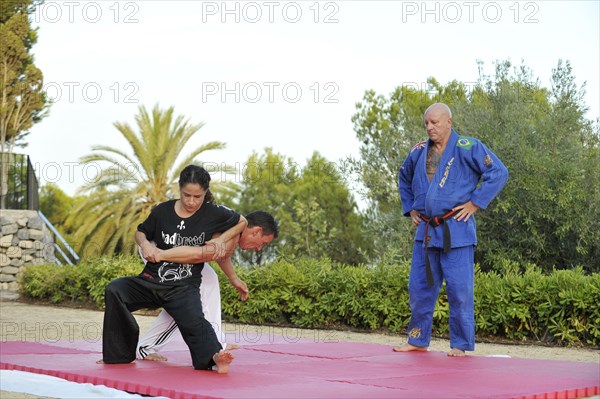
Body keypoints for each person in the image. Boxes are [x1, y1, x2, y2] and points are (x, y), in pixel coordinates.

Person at [99, 165, 248, 373]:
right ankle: (119, 356)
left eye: (198, 196)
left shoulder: (212, 213)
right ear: (179, 188)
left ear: (205, 193)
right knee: (115, 289)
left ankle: (215, 357)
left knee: (196, 322)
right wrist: (145, 244)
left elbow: (242, 221)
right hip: (151, 280)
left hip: (183, 287)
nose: (191, 202)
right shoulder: (162, 211)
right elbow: (140, 232)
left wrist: (222, 239)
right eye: (187, 195)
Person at [395, 103, 508, 357]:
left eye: (434, 122)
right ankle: (417, 339)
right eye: (426, 123)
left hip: (456, 231)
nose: (429, 127)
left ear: (449, 122)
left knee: (459, 291)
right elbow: (403, 176)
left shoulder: (468, 147)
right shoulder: (418, 151)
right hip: (425, 231)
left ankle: (460, 344)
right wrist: (411, 208)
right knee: (419, 288)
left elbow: (498, 172)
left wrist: (475, 202)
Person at [136, 211, 279, 362]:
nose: (259, 249)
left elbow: (220, 254)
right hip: (157, 247)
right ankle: (147, 348)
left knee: (205, 283)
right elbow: (214, 253)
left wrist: (233, 278)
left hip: (165, 247)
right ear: (257, 231)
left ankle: (215, 341)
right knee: (187, 297)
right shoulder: (232, 226)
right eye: (263, 243)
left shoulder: (231, 227)